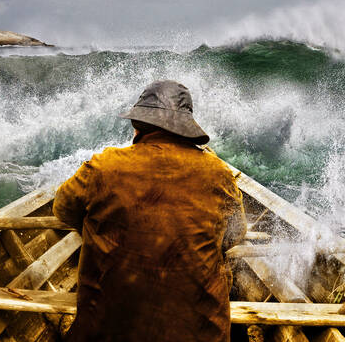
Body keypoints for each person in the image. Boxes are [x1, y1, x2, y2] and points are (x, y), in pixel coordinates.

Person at [53, 80, 247, 342]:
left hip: (106, 332)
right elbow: (235, 235)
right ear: (185, 129)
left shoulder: (103, 166)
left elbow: (63, 209)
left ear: (138, 125)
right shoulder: (218, 173)